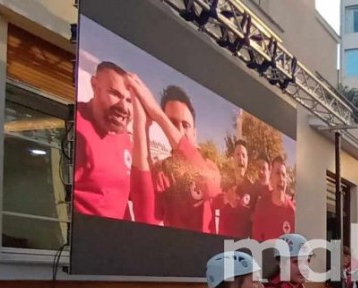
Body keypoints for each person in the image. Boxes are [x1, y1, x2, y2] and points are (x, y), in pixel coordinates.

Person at [125, 78, 222, 232]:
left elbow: (209, 186)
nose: (179, 131)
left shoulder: (210, 167)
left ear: (195, 133)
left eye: (186, 125)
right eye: (173, 123)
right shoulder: (163, 173)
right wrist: (142, 124)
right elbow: (146, 218)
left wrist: (158, 115)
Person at [74, 62, 135, 220]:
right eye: (115, 94)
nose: (123, 107)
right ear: (95, 85)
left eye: (129, 100)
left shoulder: (124, 135)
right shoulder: (76, 127)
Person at [215, 140, 255, 238]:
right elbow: (213, 204)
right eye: (238, 154)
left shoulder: (253, 189)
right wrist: (225, 198)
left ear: (247, 161)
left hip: (242, 246)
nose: (241, 158)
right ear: (233, 159)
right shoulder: (223, 183)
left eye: (243, 155)